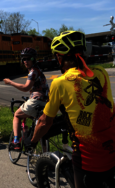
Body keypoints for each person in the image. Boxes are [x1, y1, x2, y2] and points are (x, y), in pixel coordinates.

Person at [25, 30, 115, 187]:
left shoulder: (60, 83)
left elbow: (45, 121)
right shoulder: (101, 72)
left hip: (89, 159)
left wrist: (32, 142)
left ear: (59, 57)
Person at [3, 47, 49, 150]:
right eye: (24, 59)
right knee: (37, 124)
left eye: (29, 59)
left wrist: (10, 82)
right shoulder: (38, 70)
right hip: (44, 101)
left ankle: (16, 142)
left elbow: (26, 87)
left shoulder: (33, 71)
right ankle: (43, 150)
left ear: (34, 59)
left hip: (36, 101)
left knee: (17, 115)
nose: (26, 61)